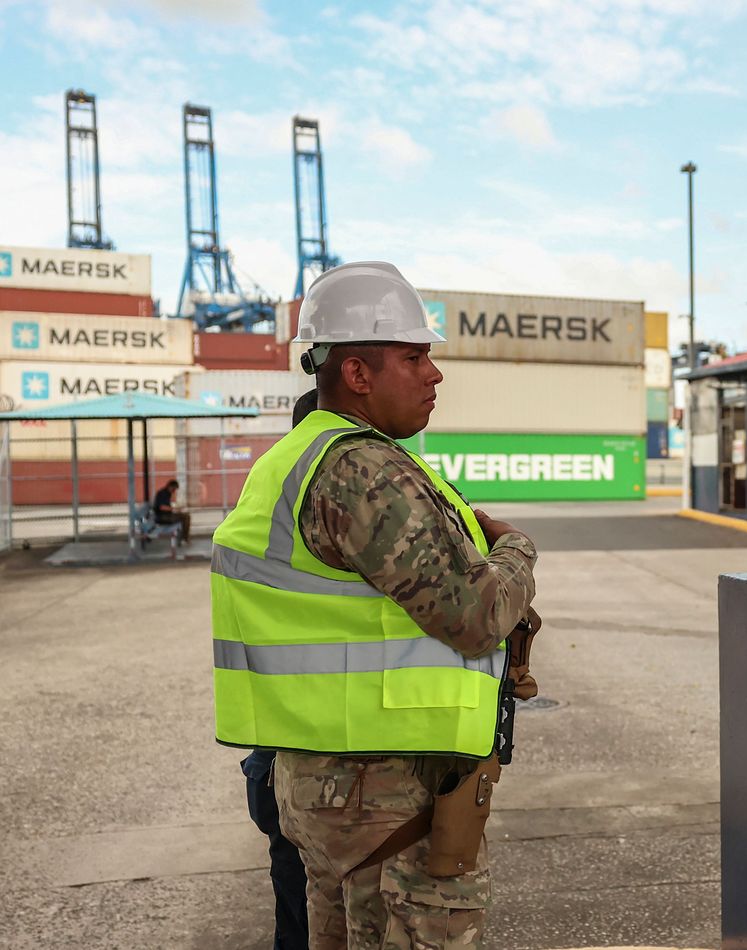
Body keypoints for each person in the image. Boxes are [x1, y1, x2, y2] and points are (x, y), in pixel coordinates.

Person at [211, 261, 539, 949]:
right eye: (414, 356)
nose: (434, 374)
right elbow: (474, 615)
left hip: (326, 780)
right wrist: (516, 551)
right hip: (381, 791)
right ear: (357, 373)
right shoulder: (362, 469)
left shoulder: (299, 456)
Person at [237, 387, 320, 950]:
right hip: (319, 742)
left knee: (293, 893)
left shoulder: (264, 488)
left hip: (274, 733)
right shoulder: (341, 494)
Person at [153, 478, 191, 542]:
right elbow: (162, 507)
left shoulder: (167, 493)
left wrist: (176, 509)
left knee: (185, 516)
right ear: (170, 486)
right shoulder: (162, 493)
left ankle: (184, 537)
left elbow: (166, 506)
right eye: (174, 489)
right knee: (186, 517)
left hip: (166, 515)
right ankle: (185, 538)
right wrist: (175, 509)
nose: (174, 491)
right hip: (162, 517)